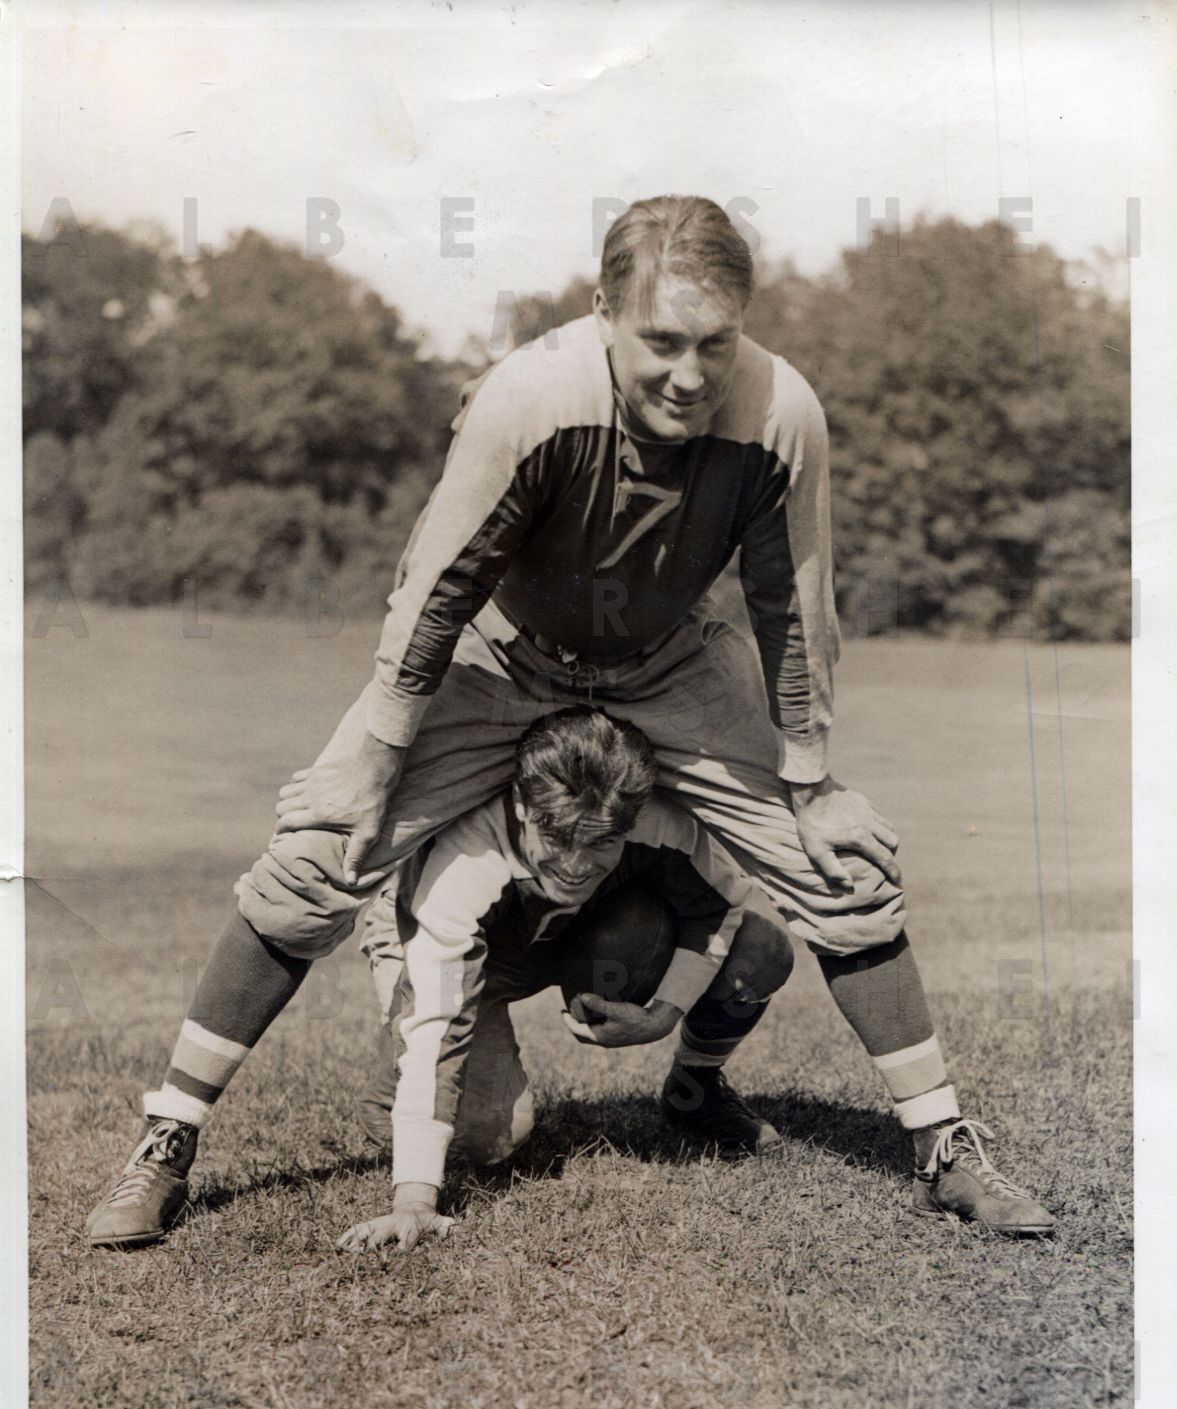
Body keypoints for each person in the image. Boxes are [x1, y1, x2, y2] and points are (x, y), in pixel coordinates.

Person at [86, 194, 1053, 1248]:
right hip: (501, 650)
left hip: (668, 658)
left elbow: (793, 602)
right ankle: (168, 1139)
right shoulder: (530, 397)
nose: (689, 373)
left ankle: (946, 1143)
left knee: (842, 873)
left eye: (715, 343)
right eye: (661, 342)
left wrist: (811, 781)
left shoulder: (782, 414)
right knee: (320, 852)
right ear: (604, 311)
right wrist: (373, 761)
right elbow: (435, 589)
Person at [336, 706, 794, 1254]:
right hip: (447, 952)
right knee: (490, 1136)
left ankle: (695, 1094)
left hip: (564, 935)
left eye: (600, 841)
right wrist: (414, 1199)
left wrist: (663, 1014)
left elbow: (717, 908)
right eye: (557, 835)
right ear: (523, 806)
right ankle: (398, 1089)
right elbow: (442, 1019)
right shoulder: (467, 858)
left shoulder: (645, 817)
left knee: (761, 948)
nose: (576, 864)